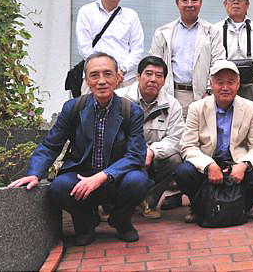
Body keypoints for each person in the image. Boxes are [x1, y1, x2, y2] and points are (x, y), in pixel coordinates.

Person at [9, 53, 150, 246]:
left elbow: (135, 155)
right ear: (87, 81)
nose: (101, 81)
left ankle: (121, 220)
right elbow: (51, 144)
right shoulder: (73, 108)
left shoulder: (131, 111)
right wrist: (35, 173)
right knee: (59, 187)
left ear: (118, 77)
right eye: (94, 75)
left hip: (116, 176)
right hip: (81, 175)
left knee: (138, 181)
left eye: (108, 74)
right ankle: (85, 223)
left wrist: (103, 175)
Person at [174, 60, 253, 223]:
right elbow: (188, 146)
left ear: (238, 85)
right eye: (219, 82)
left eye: (230, 82)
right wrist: (209, 165)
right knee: (183, 172)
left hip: (236, 161)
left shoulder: (250, 108)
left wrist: (243, 165)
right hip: (208, 160)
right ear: (211, 84)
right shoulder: (197, 108)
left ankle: (243, 207)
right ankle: (199, 208)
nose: (225, 87)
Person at [116, 56, 185, 219]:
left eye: (158, 75)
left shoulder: (172, 105)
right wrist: (136, 152)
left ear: (164, 81)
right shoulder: (119, 98)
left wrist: (152, 151)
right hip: (124, 155)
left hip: (153, 158)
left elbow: (175, 139)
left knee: (174, 160)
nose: (153, 79)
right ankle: (112, 203)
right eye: (148, 74)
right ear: (138, 76)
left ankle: (149, 201)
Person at [149, 0, 225, 119]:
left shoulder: (212, 32)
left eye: (194, 0)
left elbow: (218, 62)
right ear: (177, 3)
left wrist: (210, 91)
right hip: (172, 94)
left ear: (201, 3)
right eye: (184, 0)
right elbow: (154, 64)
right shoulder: (163, 32)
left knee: (202, 132)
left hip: (202, 95)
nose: (189, 4)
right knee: (172, 131)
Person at [75, 0, 144, 91]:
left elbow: (137, 50)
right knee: (90, 104)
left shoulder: (131, 15)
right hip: (95, 78)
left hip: (124, 79)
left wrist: (122, 70)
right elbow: (84, 48)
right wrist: (106, 72)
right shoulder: (86, 12)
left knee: (126, 105)